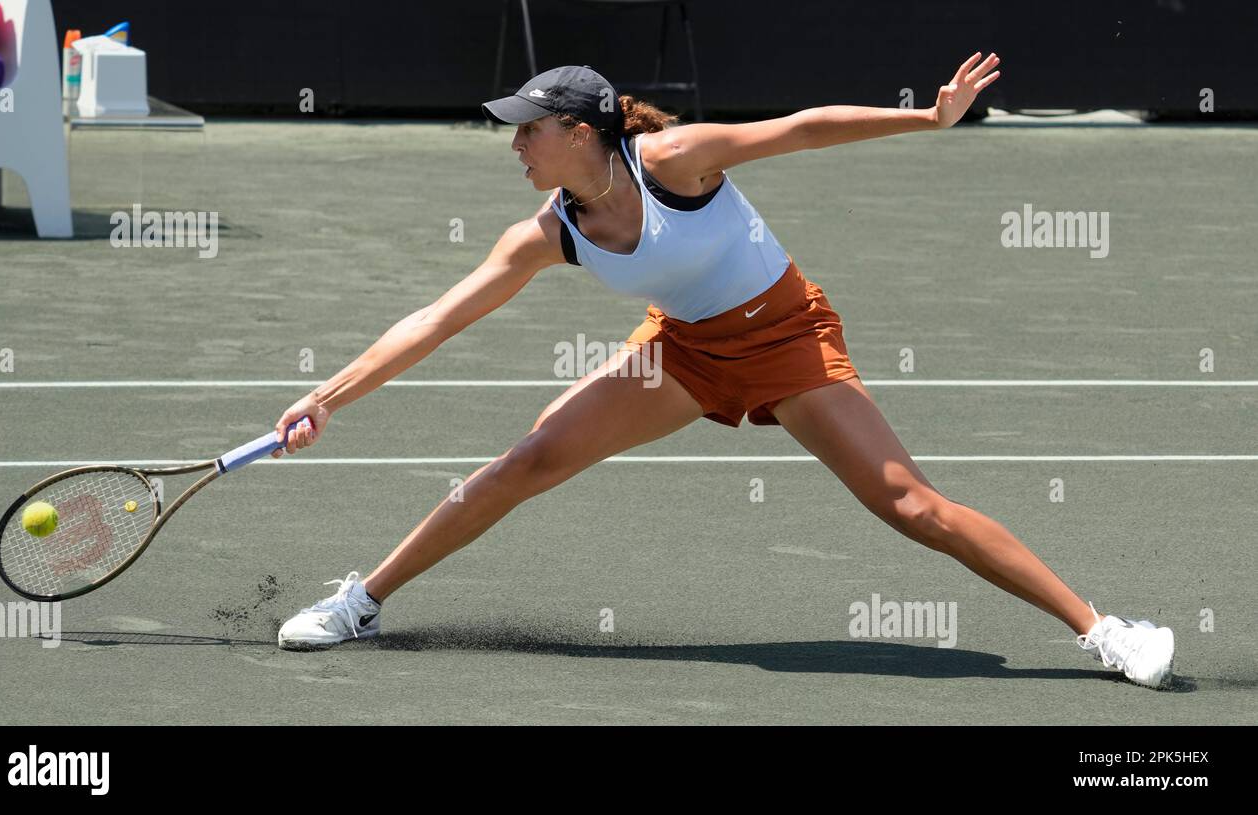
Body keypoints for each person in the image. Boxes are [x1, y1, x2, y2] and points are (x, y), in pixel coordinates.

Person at [270, 56, 1174, 689]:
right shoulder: (548, 232)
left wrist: (926, 118)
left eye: (529, 130)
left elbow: (802, 129)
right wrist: (324, 398)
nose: (514, 144)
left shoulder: (675, 161)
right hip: (685, 352)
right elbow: (435, 319)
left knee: (912, 507)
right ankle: (363, 601)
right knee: (527, 461)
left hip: (789, 340)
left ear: (583, 134)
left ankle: (1103, 630)